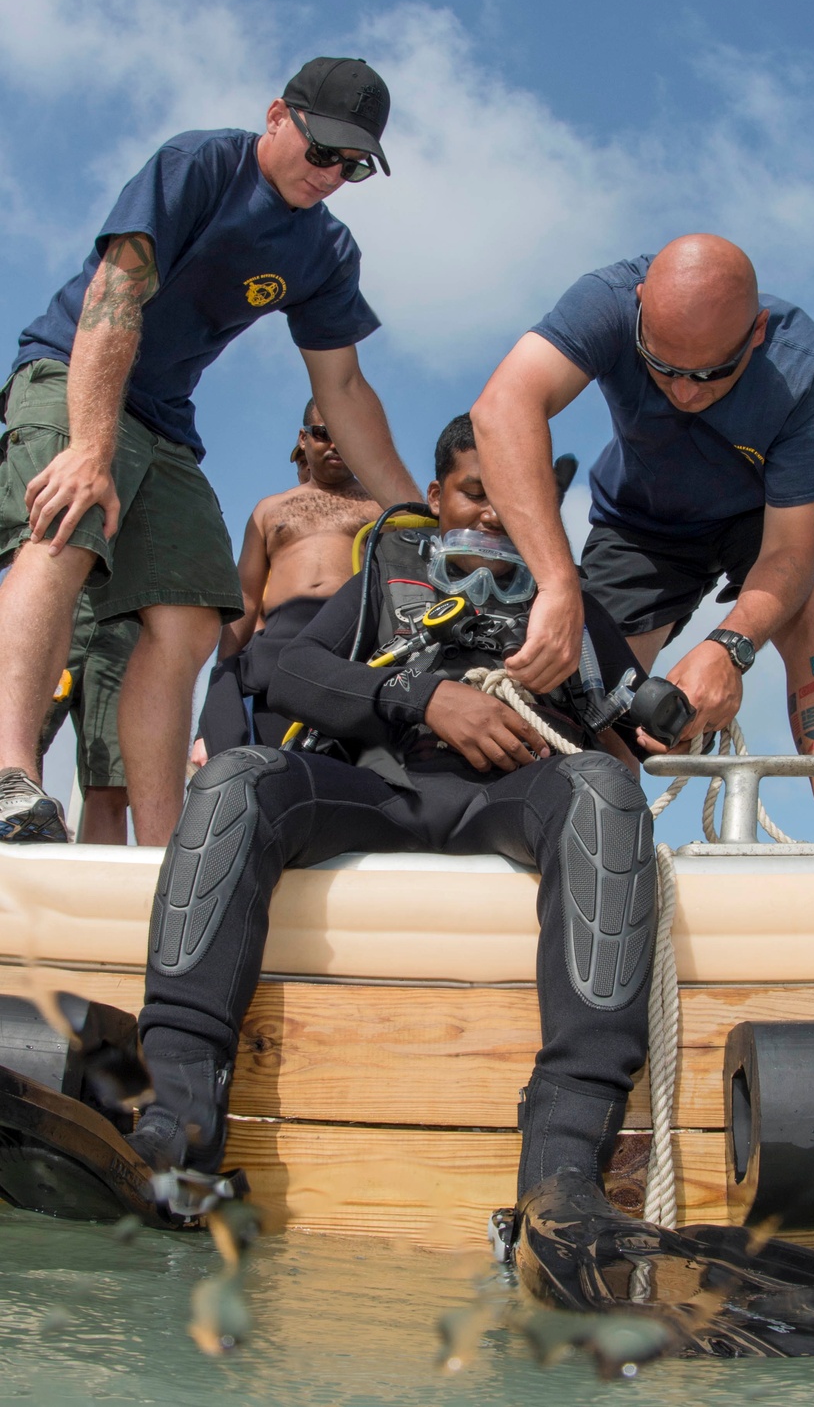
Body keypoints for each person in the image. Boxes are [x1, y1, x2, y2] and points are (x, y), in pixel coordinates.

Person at [128, 415, 657, 1211]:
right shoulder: (385, 569)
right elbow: (278, 663)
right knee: (236, 779)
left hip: (511, 798)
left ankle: (564, 1173)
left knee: (606, 795)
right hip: (380, 788)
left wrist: (670, 709)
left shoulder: (567, 604)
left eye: (517, 500)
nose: (493, 514)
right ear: (436, 494)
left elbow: (636, 725)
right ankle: (176, 1120)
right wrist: (420, 698)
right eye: (477, 493)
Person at [0, 56, 420, 847]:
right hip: (76, 371)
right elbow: (113, 292)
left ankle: (167, 849)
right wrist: (90, 447)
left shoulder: (326, 252)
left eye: (353, 165)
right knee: (64, 526)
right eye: (321, 150)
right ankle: (10, 777)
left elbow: (345, 391)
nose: (331, 174)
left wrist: (411, 512)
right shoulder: (200, 166)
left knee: (192, 617)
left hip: (166, 420)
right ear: (275, 116)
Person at [470, 235, 814, 840]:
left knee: (812, 616)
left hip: (762, 516)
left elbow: (789, 553)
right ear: (639, 308)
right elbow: (502, 407)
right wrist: (558, 585)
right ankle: (603, 843)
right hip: (643, 519)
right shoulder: (607, 302)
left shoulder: (807, 373)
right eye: (664, 367)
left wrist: (730, 649)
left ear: (757, 332)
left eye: (714, 373)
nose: (686, 393)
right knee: (593, 689)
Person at [193, 397, 381, 757]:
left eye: (348, 433)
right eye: (325, 433)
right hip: (277, 651)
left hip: (352, 644)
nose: (337, 444)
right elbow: (245, 600)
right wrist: (218, 693)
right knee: (267, 774)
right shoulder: (268, 509)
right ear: (303, 438)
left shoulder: (380, 506)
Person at [39, 591, 137, 845]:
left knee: (110, 783)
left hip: (128, 611)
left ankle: (99, 883)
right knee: (14, 761)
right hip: (54, 596)